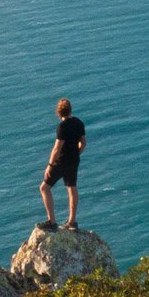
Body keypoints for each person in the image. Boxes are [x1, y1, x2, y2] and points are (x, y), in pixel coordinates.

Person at [41, 98, 86, 230]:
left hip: (61, 161)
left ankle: (52, 221)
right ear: (70, 109)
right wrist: (76, 153)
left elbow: (57, 148)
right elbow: (83, 143)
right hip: (74, 160)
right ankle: (72, 221)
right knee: (72, 188)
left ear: (59, 113)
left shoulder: (62, 127)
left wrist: (50, 165)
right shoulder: (79, 123)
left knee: (44, 188)